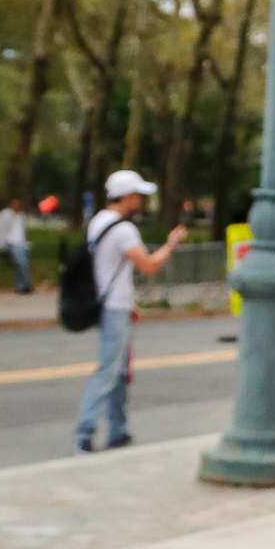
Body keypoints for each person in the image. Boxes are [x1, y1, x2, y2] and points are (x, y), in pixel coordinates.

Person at [72, 168, 186, 452]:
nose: (141, 201)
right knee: (110, 371)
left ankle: (119, 430)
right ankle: (85, 432)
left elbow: (106, 268)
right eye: (138, 195)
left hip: (109, 303)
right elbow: (148, 265)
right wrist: (170, 245)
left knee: (120, 372)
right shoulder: (123, 229)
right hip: (114, 307)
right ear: (127, 197)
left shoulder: (98, 222)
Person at [0, 196, 33, 293]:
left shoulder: (22, 216)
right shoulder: (5, 214)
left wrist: (26, 242)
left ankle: (20, 287)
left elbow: (23, 231)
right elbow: (0, 230)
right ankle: (26, 285)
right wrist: (0, 245)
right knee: (22, 263)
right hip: (10, 243)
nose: (16, 205)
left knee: (20, 264)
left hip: (22, 244)